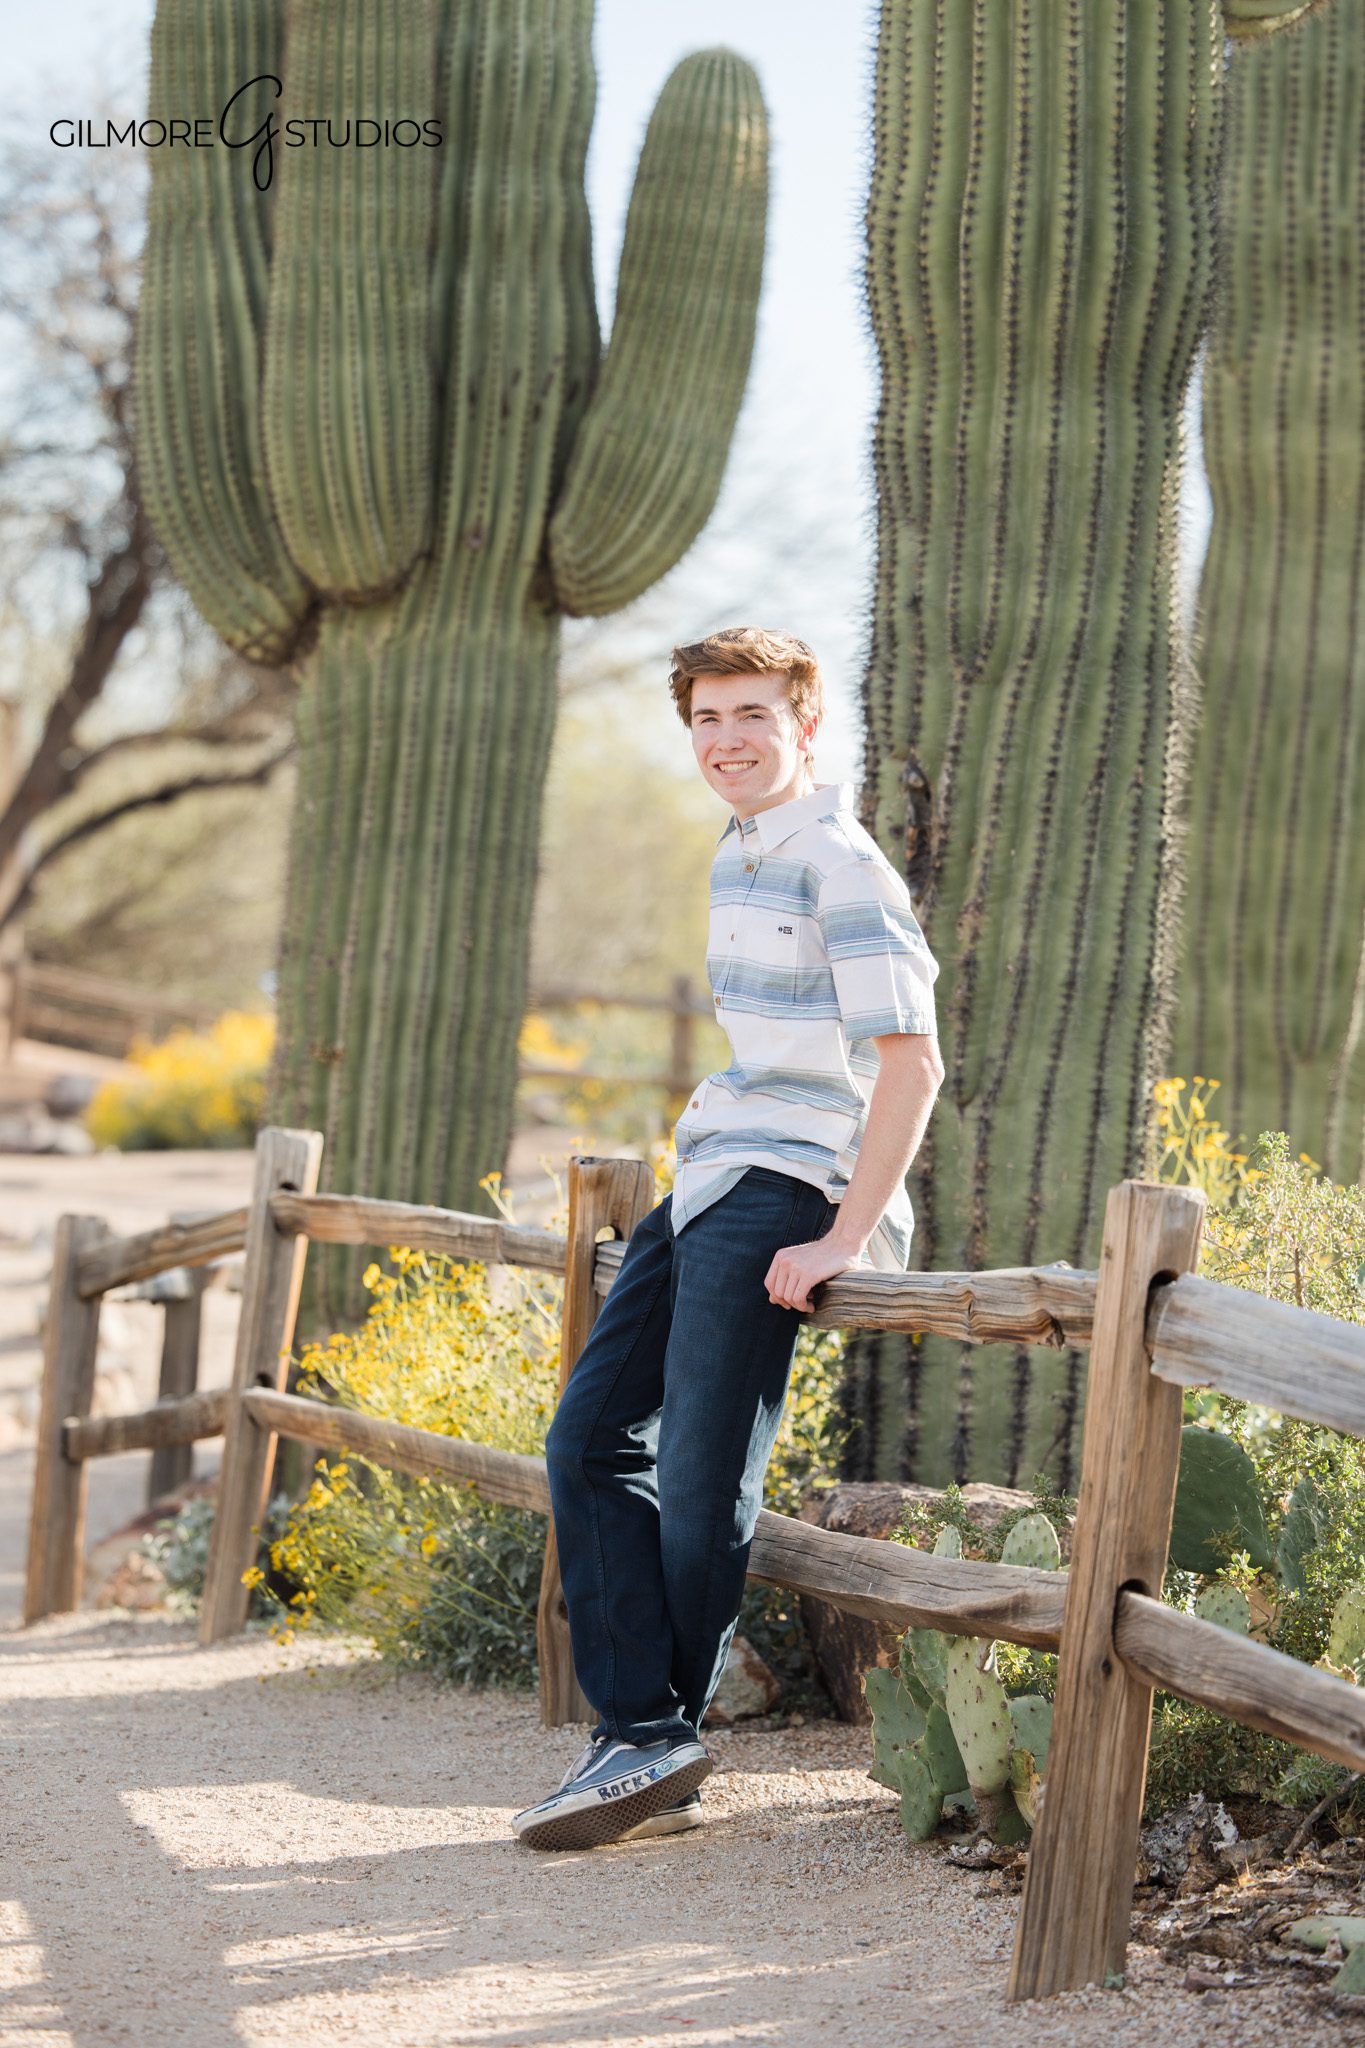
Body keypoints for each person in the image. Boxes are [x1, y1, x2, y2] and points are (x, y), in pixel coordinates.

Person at [512, 627, 943, 1851]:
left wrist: (849, 1234)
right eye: (706, 718)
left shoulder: (840, 860)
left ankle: (650, 1735)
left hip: (790, 1181)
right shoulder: (739, 847)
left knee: (702, 1468)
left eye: (752, 713)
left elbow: (911, 1062)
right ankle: (641, 1729)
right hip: (713, 1169)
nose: (727, 739)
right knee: (589, 1437)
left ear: (806, 724)